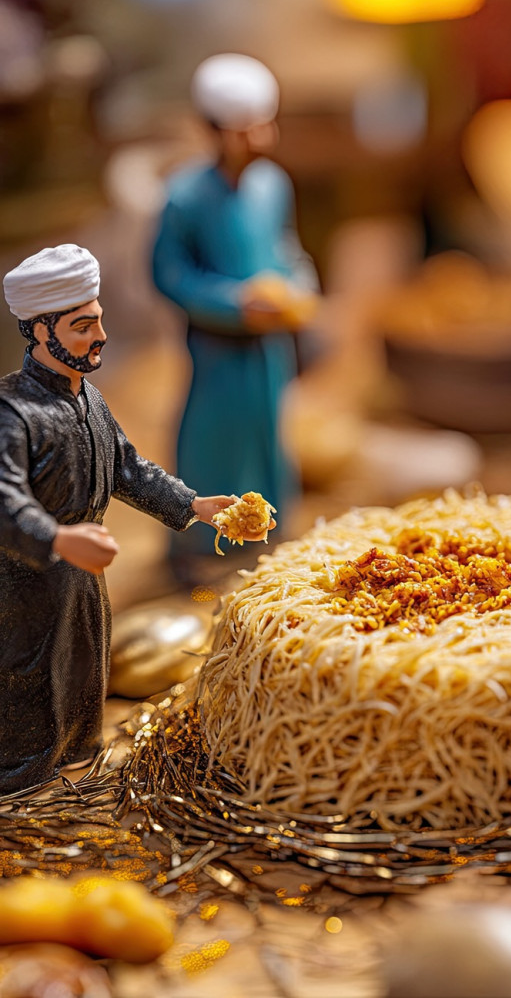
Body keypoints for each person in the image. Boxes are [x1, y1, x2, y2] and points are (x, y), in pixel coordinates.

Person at [0, 244, 269, 795]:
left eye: (98, 322)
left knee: (84, 663)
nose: (98, 336)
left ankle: (76, 753)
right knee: (27, 671)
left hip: (83, 568)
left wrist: (192, 507)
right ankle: (22, 776)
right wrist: (56, 538)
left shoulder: (89, 399)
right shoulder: (13, 413)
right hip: (26, 575)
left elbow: (128, 468)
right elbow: (4, 499)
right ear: (40, 333)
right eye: (81, 327)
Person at [151, 52, 319, 574]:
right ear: (212, 130)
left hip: (270, 345)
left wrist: (299, 287)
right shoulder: (184, 196)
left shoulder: (273, 185)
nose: (259, 140)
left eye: (264, 126)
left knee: (268, 430)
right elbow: (169, 274)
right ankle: (202, 545)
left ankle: (269, 532)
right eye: (244, 131)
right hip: (218, 345)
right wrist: (233, 303)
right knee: (212, 434)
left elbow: (287, 249)